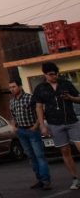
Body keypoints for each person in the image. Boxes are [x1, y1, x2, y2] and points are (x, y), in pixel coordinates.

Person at [32, 61, 80, 191]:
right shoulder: (40, 88)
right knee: (65, 151)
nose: (54, 76)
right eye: (51, 74)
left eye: (56, 74)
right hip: (54, 123)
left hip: (71, 120)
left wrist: (70, 97)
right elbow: (39, 107)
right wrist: (42, 126)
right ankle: (75, 178)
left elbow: (79, 98)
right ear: (45, 74)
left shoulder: (66, 83)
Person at [8, 78, 51, 189]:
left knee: (39, 156)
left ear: (20, 86)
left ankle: (46, 181)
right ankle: (39, 180)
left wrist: (35, 126)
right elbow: (13, 116)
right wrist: (14, 126)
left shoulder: (30, 98)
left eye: (14, 86)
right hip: (21, 132)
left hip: (32, 131)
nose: (12, 89)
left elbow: (40, 112)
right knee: (31, 157)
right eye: (10, 87)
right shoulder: (12, 101)